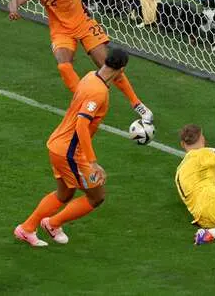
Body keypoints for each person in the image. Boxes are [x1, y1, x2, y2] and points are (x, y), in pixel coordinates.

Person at [8, 0, 153, 124]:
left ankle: (137, 104)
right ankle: (83, 100)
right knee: (64, 66)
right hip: (61, 31)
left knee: (110, 66)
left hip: (84, 24)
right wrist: (14, 8)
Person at [14, 47, 129, 247]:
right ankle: (51, 223)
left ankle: (27, 228)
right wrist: (93, 162)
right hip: (69, 152)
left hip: (57, 145)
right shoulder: (99, 91)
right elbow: (82, 125)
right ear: (121, 69)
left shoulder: (89, 77)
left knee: (65, 194)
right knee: (96, 197)